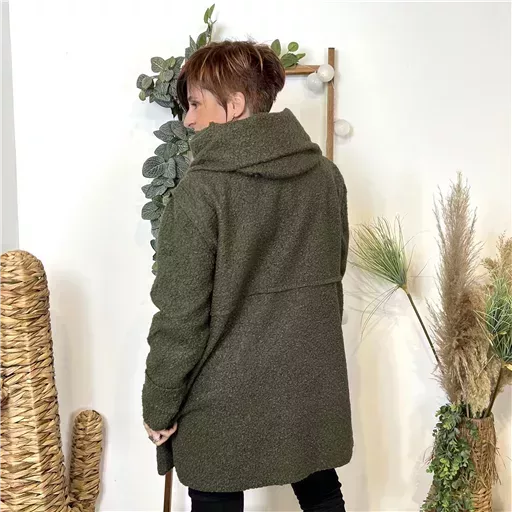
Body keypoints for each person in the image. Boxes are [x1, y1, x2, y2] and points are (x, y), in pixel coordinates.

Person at [142, 40, 353, 512]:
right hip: (307, 383)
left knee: (214, 496)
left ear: (234, 105)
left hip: (220, 397)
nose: (188, 120)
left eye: (196, 104)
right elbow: (330, 277)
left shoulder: (200, 193)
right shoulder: (326, 177)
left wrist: (159, 404)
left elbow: (180, 316)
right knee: (320, 490)